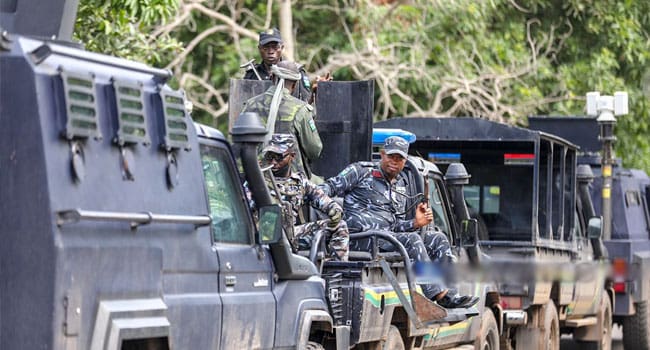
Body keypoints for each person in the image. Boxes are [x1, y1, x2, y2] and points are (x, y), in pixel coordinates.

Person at [319, 136, 478, 308]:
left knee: (437, 239)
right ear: (382, 154)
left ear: (405, 161)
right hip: (361, 238)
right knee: (412, 240)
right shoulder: (360, 171)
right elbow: (327, 188)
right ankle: (440, 295)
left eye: (399, 158)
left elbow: (394, 226)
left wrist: (415, 223)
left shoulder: (400, 184)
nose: (394, 162)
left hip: (386, 239)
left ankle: (451, 293)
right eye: (391, 156)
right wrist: (330, 209)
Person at [255, 134, 349, 261]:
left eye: (279, 157)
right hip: (264, 234)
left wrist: (334, 210)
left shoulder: (300, 182)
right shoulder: (258, 180)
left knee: (340, 226)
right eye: (270, 156)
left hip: (292, 234)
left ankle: (337, 270)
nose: (273, 162)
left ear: (292, 156)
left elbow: (324, 200)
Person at [240, 60, 322, 179]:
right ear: (295, 84)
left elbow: (239, 144)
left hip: (255, 178)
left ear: (272, 77)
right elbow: (315, 150)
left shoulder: (250, 105)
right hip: (290, 182)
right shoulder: (301, 109)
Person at [243, 28, 312, 102]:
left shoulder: (295, 72)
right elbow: (243, 102)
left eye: (275, 47)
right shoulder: (252, 74)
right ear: (259, 49)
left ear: (282, 48)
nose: (271, 52)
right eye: (266, 48)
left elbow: (306, 101)